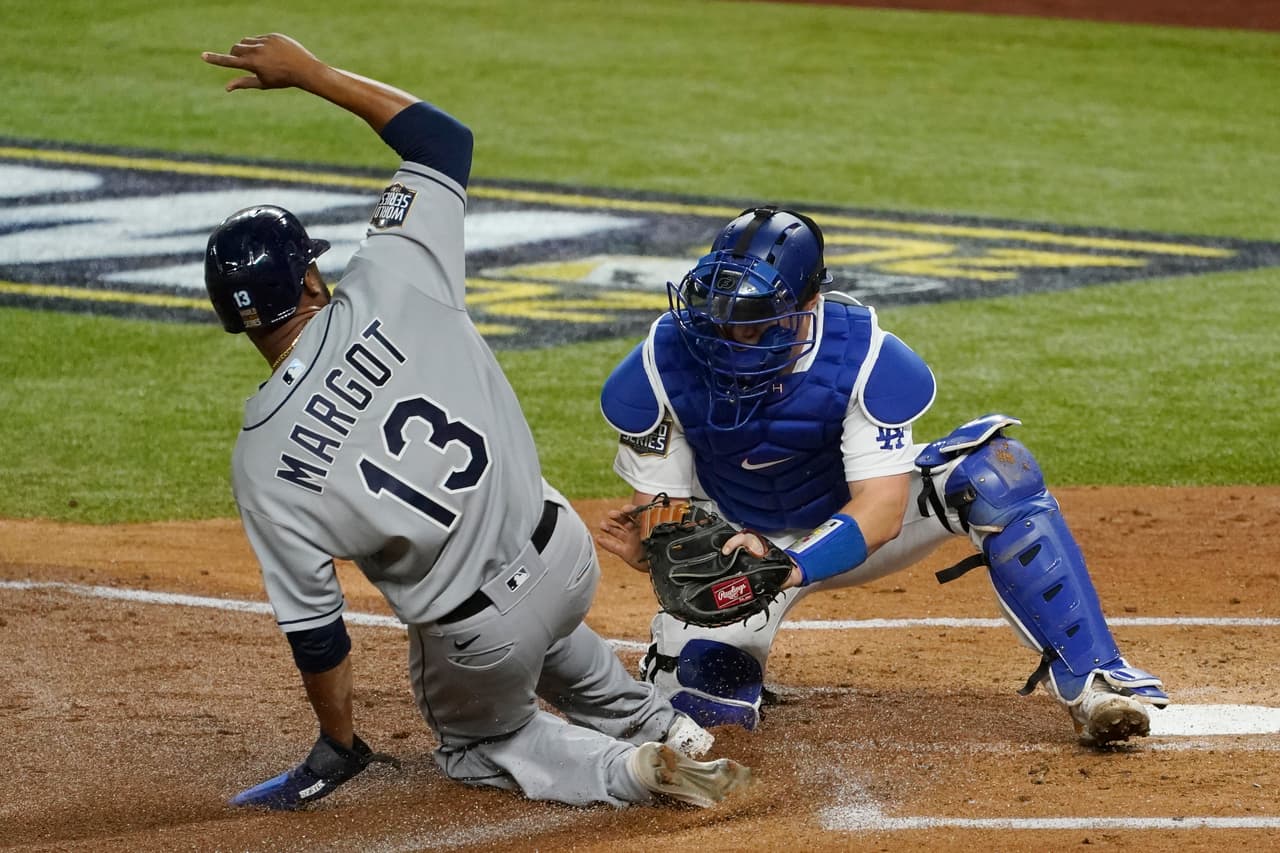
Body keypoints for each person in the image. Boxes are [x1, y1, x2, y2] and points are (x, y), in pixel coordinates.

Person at [198, 32, 751, 810]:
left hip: (480, 637)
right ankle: (662, 724)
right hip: (565, 557)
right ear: (313, 279)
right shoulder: (392, 279)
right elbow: (442, 140)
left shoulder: (259, 461)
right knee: (543, 625)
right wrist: (312, 74)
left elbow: (317, 632)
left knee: (480, 741)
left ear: (235, 321)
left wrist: (338, 740)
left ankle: (628, 770)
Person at [597, 205, 1169, 746]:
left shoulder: (862, 357)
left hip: (847, 526)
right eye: (719, 319)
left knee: (997, 474)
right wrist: (663, 549)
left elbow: (881, 509)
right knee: (703, 725)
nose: (727, 341)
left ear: (807, 301)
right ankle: (697, 665)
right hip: (740, 551)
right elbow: (666, 512)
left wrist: (792, 564)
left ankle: (1096, 681)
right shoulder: (659, 364)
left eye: (752, 323)